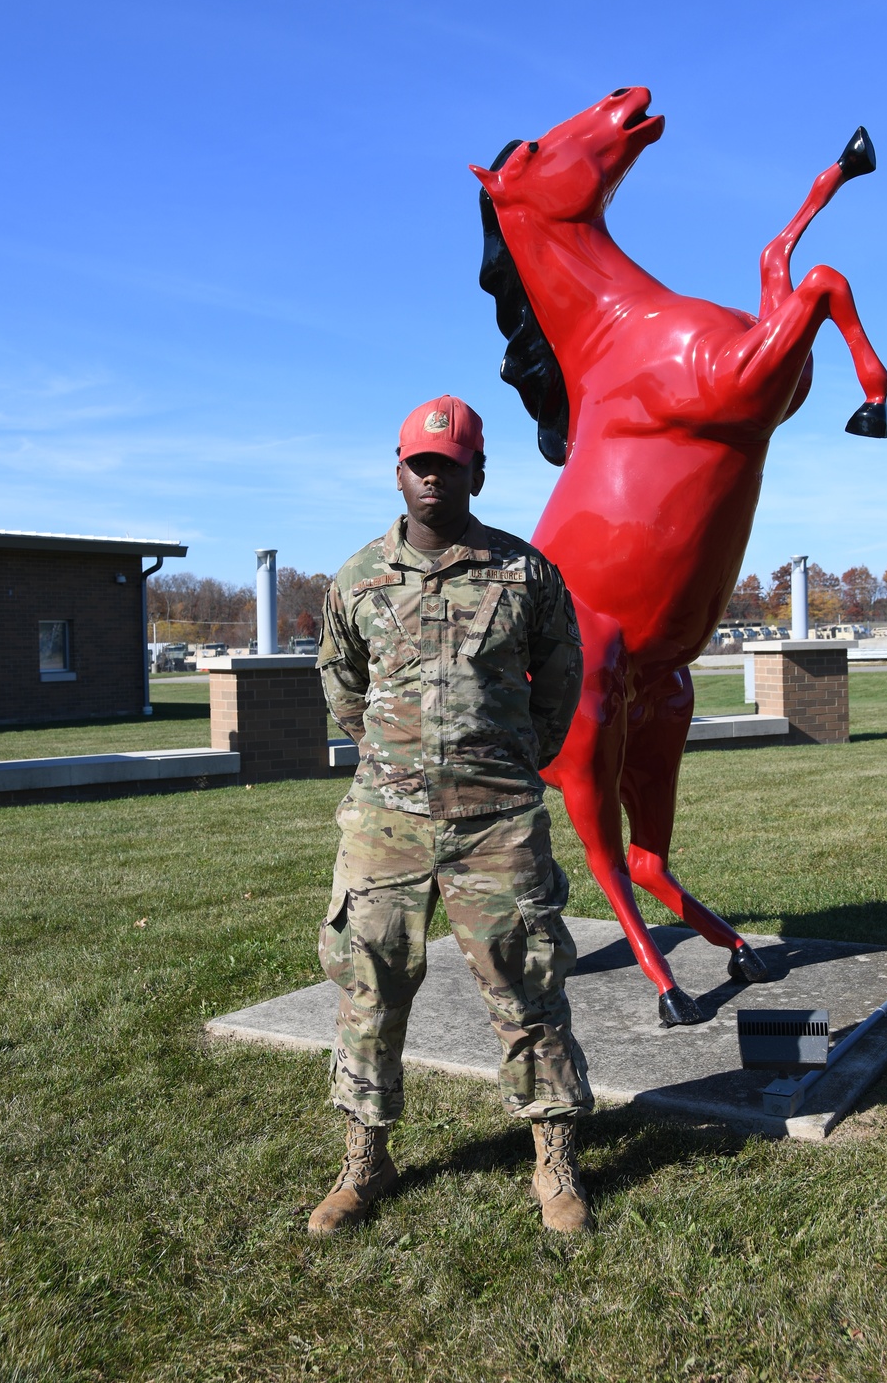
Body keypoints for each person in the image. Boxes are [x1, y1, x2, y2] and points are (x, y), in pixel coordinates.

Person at [310, 394, 593, 1237]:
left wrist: (506, 764)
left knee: (529, 987)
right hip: (384, 824)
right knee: (368, 985)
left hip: (497, 822)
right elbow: (342, 689)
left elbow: (563, 680)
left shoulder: (526, 574)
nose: (434, 478)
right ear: (398, 472)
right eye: (419, 465)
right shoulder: (357, 580)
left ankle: (555, 1160)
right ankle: (365, 1159)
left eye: (450, 464)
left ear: (477, 471)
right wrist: (396, 766)